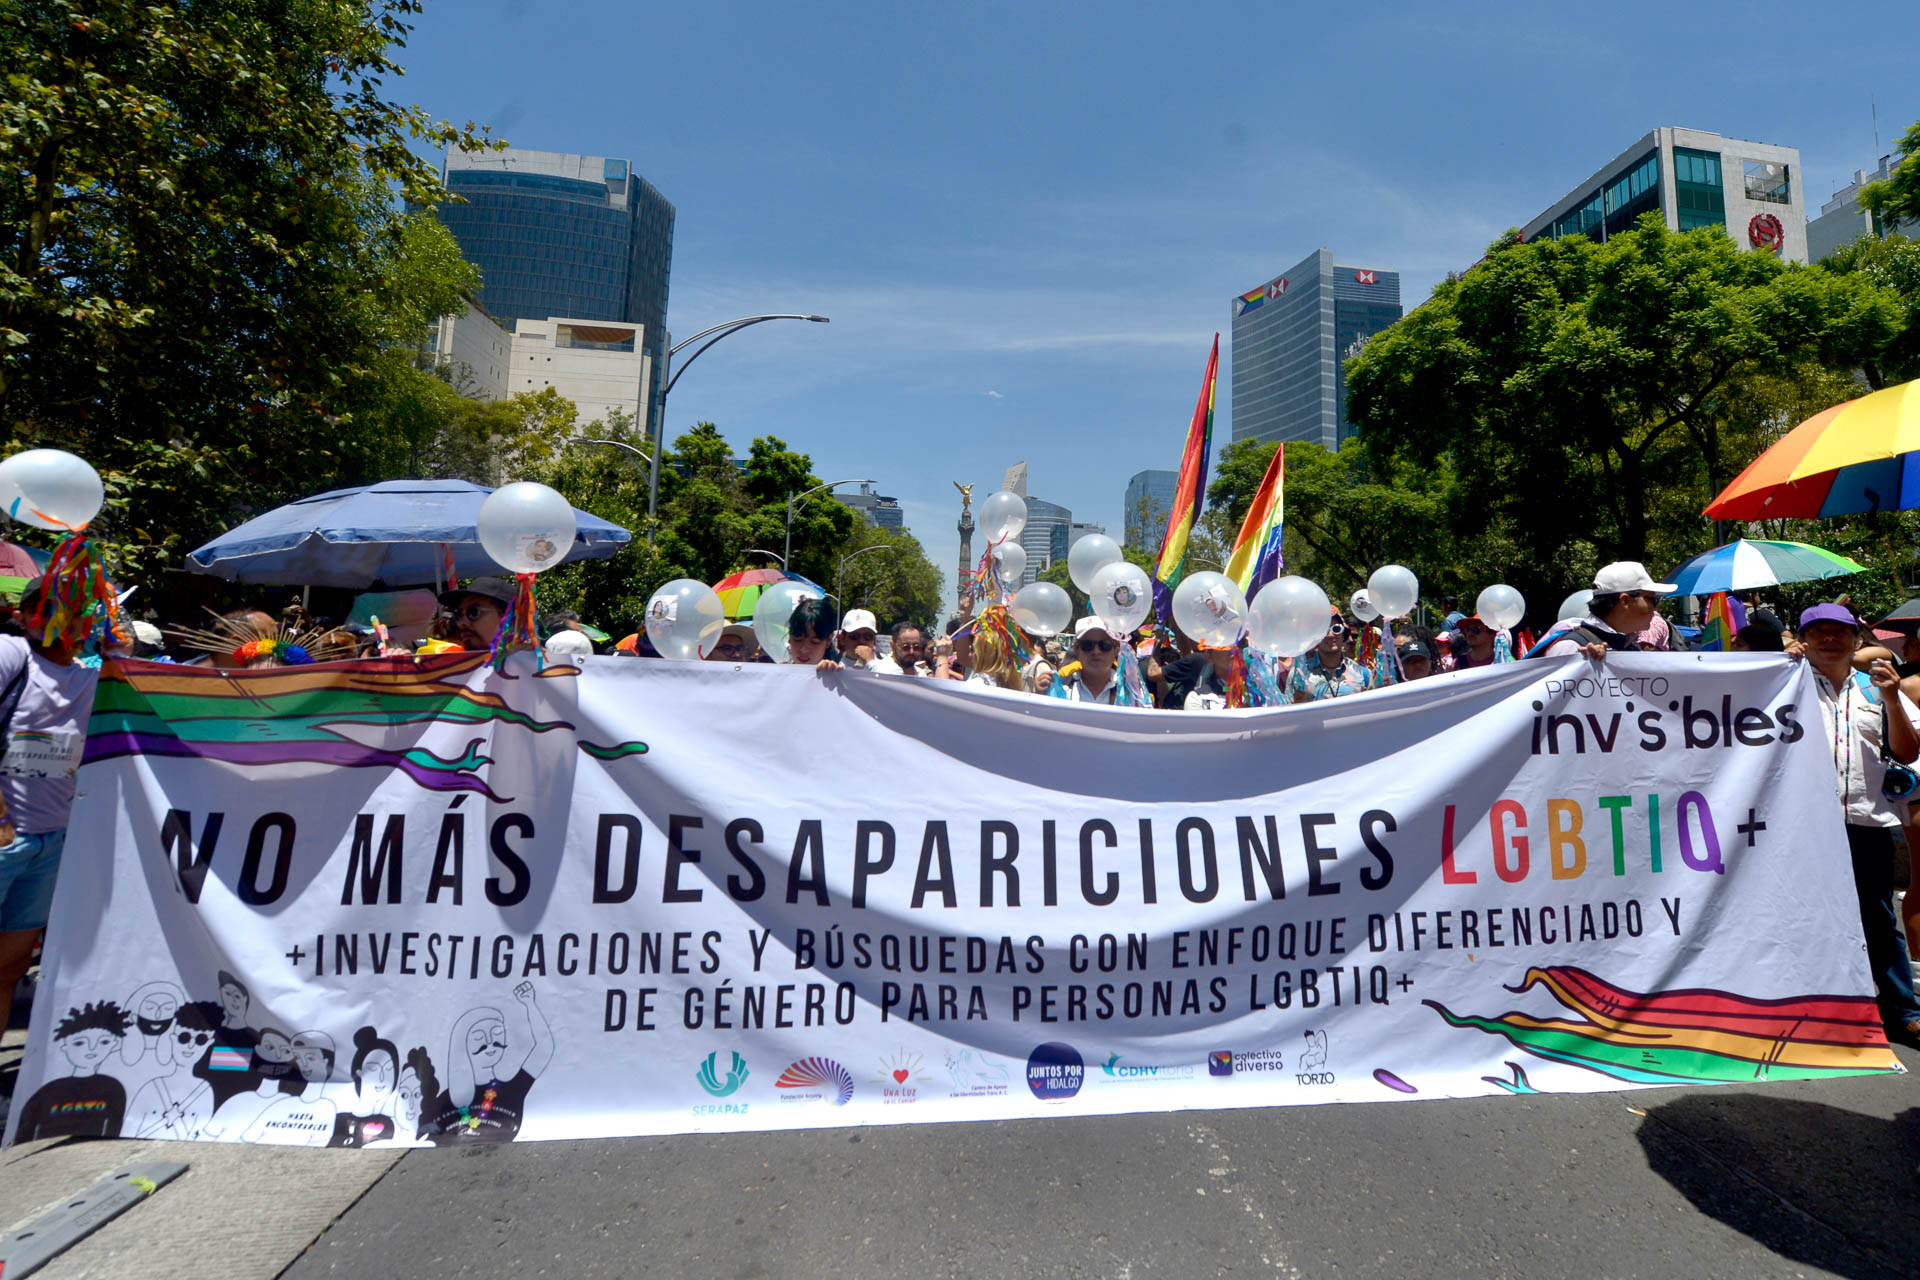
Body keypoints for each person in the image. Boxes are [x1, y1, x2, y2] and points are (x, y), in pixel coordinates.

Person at [1795, 602, 1920, 1049]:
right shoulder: (1781, 685)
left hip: (1866, 822)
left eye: (1839, 632)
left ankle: (1904, 1012)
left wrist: (1892, 700)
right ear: (1802, 639)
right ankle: (1809, 1010)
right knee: (1802, 916)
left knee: (1879, 919)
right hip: (1801, 826)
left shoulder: (1878, 688)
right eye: (1818, 632)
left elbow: (1908, 752)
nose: (1829, 639)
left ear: (1856, 640)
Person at [0, 578, 103, 1056]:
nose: (64, 621)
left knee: (9, 968)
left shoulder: (90, 676)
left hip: (49, 845)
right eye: (49, 609)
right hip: (7, 839)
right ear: (21, 617)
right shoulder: (10, 655)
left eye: (77, 611)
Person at [1544, 562, 1675, 658]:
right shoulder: (1571, 648)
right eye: (1651, 599)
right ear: (1625, 601)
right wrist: (1581, 663)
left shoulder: (1630, 647)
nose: (1655, 608)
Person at [1289, 613, 1372, 702]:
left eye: (1336, 629)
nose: (1330, 635)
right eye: (1324, 630)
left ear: (1343, 634)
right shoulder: (1299, 675)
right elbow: (1285, 707)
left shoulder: (1364, 674)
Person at [1049, 618, 1124, 704]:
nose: (1096, 651)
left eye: (1104, 645)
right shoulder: (1059, 687)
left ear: (1116, 651)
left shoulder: (1130, 693)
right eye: (1088, 645)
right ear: (1077, 650)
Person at [437, 577, 515, 652]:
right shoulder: (449, 658)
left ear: (507, 617)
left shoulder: (521, 659)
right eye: (458, 615)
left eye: (473, 613)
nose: (461, 623)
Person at [785, 598, 838, 668]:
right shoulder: (777, 672)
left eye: (814, 642)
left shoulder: (838, 673)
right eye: (797, 639)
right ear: (790, 637)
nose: (804, 650)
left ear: (829, 640)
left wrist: (832, 673)